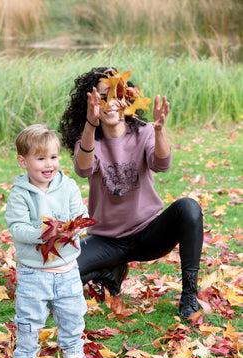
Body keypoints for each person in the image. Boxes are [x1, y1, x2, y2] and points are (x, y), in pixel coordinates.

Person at [59, 67, 204, 321]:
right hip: (108, 241)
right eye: (102, 98)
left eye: (115, 95)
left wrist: (159, 130)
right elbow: (83, 169)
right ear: (91, 105)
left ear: (127, 99)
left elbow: (162, 165)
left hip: (149, 234)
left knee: (189, 208)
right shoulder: (89, 140)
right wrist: (91, 125)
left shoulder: (144, 131)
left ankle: (189, 296)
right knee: (62, 272)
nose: (109, 103)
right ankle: (110, 272)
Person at [5, 124, 94, 358]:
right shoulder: (21, 193)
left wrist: (77, 227)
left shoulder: (68, 187)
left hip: (67, 269)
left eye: (53, 157)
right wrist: (45, 234)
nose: (49, 165)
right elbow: (18, 228)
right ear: (23, 161)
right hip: (34, 272)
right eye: (41, 158)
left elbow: (81, 213)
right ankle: (25, 355)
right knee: (29, 318)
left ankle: (73, 350)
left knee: (72, 314)